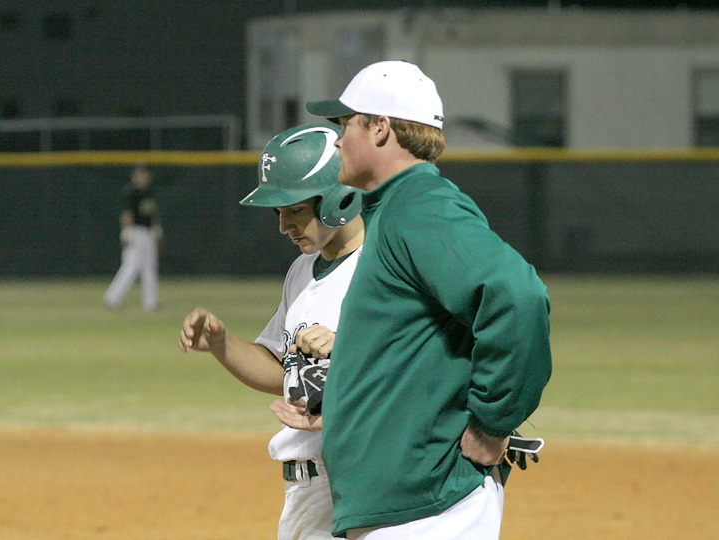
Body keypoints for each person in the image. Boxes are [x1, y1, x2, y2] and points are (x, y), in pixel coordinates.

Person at [304, 60, 552, 540]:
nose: (337, 140)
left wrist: (492, 422)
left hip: (428, 510)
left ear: (380, 128)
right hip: (404, 507)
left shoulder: (420, 205)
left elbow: (518, 296)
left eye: (345, 124)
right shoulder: (396, 208)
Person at [178, 124, 364, 540]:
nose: (283, 226)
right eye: (277, 213)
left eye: (293, 210)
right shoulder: (302, 270)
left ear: (335, 198)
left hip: (361, 480)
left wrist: (348, 350)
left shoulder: (384, 268)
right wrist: (224, 346)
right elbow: (284, 373)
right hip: (309, 490)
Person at [104, 164, 163, 312]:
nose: (144, 177)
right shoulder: (131, 192)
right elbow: (126, 215)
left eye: (145, 174)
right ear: (135, 176)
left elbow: (152, 214)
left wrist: (157, 231)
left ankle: (151, 302)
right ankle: (113, 297)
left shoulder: (149, 192)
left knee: (150, 267)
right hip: (135, 232)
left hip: (148, 233)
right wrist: (126, 233)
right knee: (131, 266)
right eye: (141, 174)